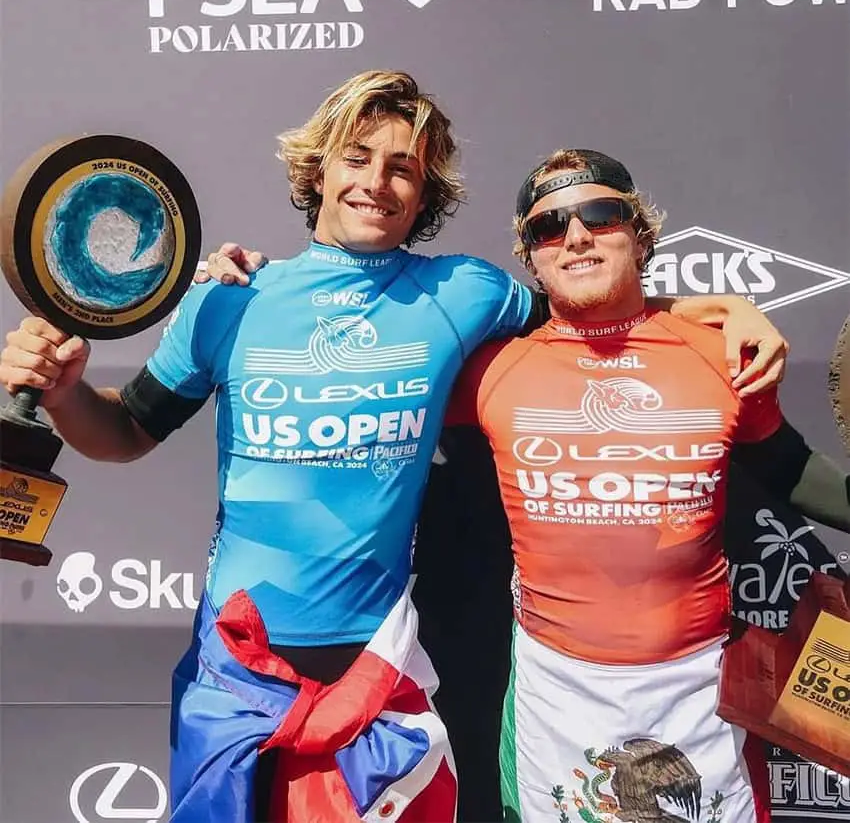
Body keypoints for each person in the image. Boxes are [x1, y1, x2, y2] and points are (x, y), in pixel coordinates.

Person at [0, 72, 789, 822]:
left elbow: (589, 296)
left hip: (378, 672)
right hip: (235, 666)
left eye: (402, 167)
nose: (376, 181)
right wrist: (67, 394)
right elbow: (125, 433)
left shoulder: (464, 292)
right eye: (357, 157)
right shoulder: (228, 297)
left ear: (425, 192)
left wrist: (720, 309)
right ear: (317, 170)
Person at [432, 147, 850, 823]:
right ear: (531, 257)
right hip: (556, 688)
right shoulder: (492, 369)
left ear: (642, 233)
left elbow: (787, 467)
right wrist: (251, 285)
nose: (575, 236)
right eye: (548, 227)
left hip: (698, 686)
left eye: (600, 214)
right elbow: (368, 381)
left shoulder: (719, 352)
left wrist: (715, 310)